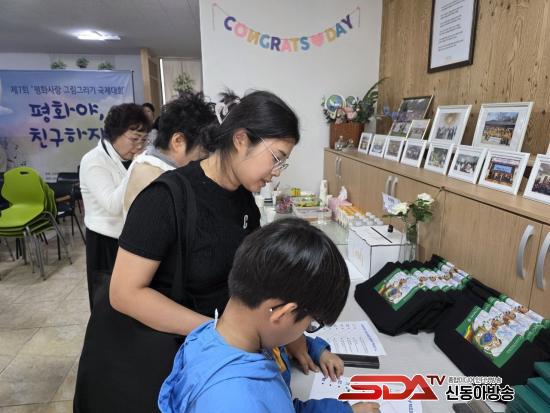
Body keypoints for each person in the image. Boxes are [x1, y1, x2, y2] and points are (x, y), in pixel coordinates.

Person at [74, 90, 301, 412]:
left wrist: (295, 336)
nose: (277, 171)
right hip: (154, 361)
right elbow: (124, 294)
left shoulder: (242, 201)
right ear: (241, 140)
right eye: (276, 157)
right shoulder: (166, 197)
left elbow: (249, 277)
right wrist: (218, 331)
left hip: (205, 355)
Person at [158, 218, 380, 413]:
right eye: (310, 324)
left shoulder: (217, 334)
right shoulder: (240, 402)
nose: (303, 334)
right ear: (283, 314)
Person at [79, 103, 149, 309]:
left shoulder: (130, 158)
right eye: (134, 139)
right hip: (105, 241)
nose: (139, 146)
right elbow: (112, 205)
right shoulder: (93, 161)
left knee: (130, 298)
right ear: (115, 134)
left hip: (129, 237)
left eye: (144, 140)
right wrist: (137, 167)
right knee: (105, 301)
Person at [123, 92, 215, 216]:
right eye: (202, 154)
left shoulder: (148, 162)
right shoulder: (158, 182)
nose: (204, 161)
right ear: (178, 141)